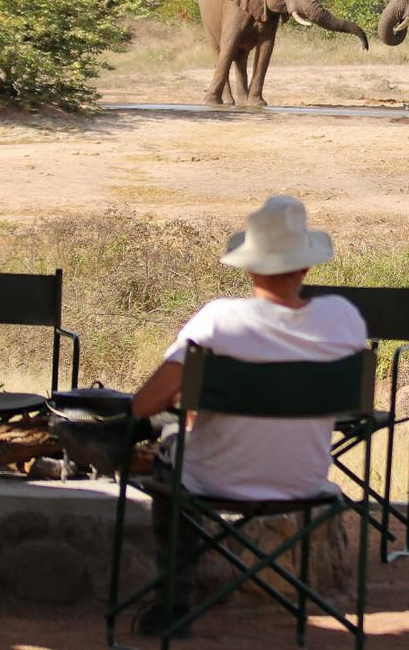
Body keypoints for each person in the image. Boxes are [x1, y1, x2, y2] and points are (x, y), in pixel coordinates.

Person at [128, 195, 367, 637]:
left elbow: (145, 404)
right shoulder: (344, 320)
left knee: (167, 455)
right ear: (306, 267)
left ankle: (173, 602)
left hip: (211, 480)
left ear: (250, 266)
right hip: (305, 483)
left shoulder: (219, 320)